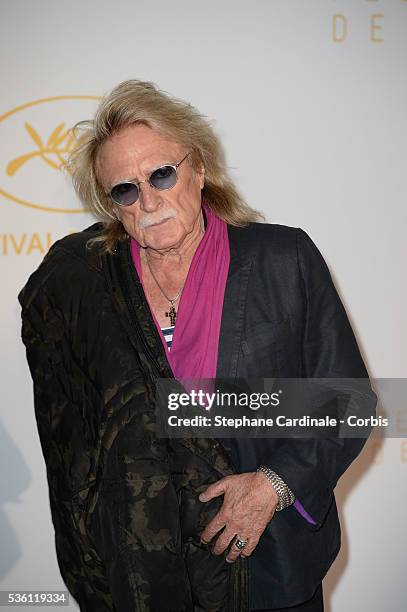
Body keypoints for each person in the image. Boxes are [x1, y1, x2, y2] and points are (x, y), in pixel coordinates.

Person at [18, 80, 376, 612]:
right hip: (149, 579)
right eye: (125, 189)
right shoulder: (88, 287)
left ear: (199, 169)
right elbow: (74, 434)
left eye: (162, 174)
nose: (149, 200)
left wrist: (272, 486)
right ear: (111, 205)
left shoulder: (283, 259)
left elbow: (346, 401)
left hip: (265, 562)